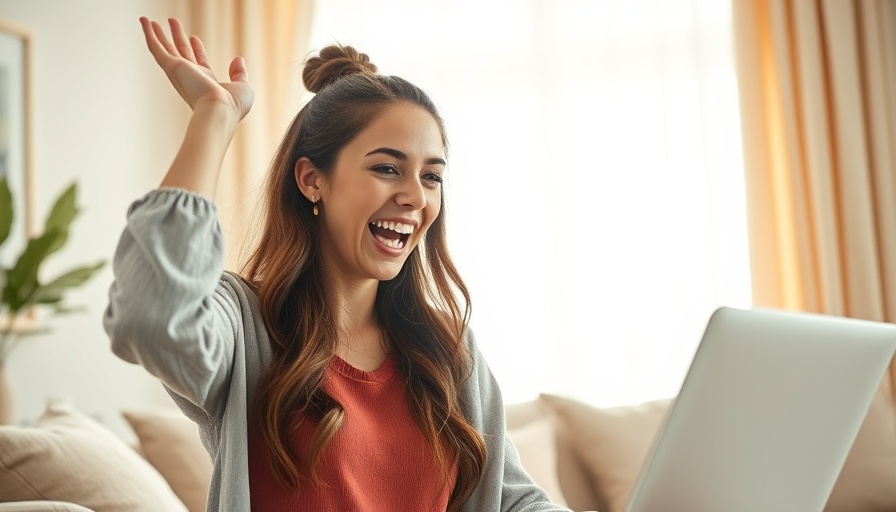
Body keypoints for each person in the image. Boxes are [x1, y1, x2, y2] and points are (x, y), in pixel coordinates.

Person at [104, 16, 571, 512]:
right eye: (387, 168)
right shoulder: (244, 329)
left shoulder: (448, 352)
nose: (415, 196)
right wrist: (213, 115)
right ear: (312, 180)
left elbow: (511, 499)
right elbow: (151, 316)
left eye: (431, 177)